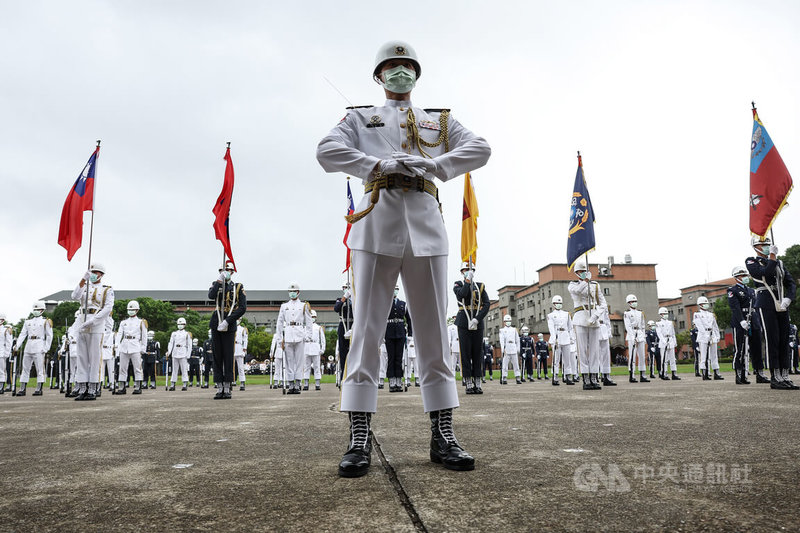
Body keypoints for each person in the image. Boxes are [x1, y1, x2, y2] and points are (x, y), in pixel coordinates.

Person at [317, 40, 489, 477]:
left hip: (427, 229)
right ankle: (359, 437)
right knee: (366, 333)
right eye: (391, 68)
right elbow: (326, 151)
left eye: (406, 67)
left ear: (416, 74)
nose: (400, 74)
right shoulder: (360, 118)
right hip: (376, 226)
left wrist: (434, 166)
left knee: (433, 333)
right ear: (379, 76)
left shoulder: (440, 121)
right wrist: (375, 164)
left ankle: (443, 434)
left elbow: (481, 149)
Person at [746, 236, 797, 389]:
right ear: (756, 247)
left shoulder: (779, 263)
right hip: (766, 302)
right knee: (772, 339)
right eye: (763, 244)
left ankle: (785, 375)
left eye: (768, 244)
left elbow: (790, 283)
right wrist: (773, 257)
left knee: (784, 340)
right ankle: (775, 376)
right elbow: (765, 273)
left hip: (782, 303)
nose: (767, 246)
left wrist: (788, 298)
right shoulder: (751, 262)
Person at [70, 264, 114, 400]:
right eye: (92, 272)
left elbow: (108, 308)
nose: (94, 274)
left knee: (95, 357)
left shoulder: (107, 290)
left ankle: (93, 388)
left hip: (96, 322)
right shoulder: (85, 287)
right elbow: (74, 296)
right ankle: (82, 388)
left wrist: (94, 321)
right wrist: (83, 280)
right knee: (82, 357)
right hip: (82, 321)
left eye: (96, 272)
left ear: (101, 274)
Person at [208, 260, 247, 399]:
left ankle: (227, 386)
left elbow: (242, 308)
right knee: (217, 355)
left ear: (232, 272)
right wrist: (219, 281)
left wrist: (228, 321)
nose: (224, 273)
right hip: (216, 322)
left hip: (229, 324)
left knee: (228, 355)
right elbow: (211, 296)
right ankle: (219, 386)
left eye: (227, 271)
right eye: (221, 271)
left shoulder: (238, 287)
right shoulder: (216, 284)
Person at [568, 260, 608, 390]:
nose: (584, 273)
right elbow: (578, 292)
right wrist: (586, 282)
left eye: (585, 271)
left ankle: (594, 377)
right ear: (577, 273)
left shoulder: (595, 285)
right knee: (582, 350)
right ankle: (585, 377)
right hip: (580, 318)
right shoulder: (572, 285)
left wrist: (596, 316)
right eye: (581, 271)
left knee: (595, 351)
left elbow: (603, 304)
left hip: (594, 318)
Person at [453, 262, 490, 393]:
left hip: (476, 322)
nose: (468, 271)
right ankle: (468, 381)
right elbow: (461, 295)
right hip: (464, 321)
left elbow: (486, 304)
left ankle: (478, 381)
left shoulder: (480, 286)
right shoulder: (458, 284)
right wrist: (467, 280)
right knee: (466, 353)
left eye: (470, 270)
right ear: (462, 271)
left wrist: (477, 318)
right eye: (465, 270)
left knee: (477, 353)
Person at [276, 282, 312, 395]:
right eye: (290, 291)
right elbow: (280, 322)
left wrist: (308, 335)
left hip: (299, 333)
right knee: (289, 361)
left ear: (298, 292)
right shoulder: (284, 306)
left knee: (299, 362)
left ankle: (297, 384)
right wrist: (279, 338)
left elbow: (309, 321)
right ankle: (290, 384)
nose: (292, 293)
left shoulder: (303, 305)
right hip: (288, 335)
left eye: (294, 291)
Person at [13, 301, 53, 396]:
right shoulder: (28, 322)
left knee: (40, 368)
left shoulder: (45, 321)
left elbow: (49, 335)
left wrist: (46, 348)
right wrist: (17, 345)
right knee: (25, 368)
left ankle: (39, 388)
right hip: (29, 345)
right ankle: (22, 388)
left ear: (42, 310)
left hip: (39, 345)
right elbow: (23, 334)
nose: (36, 311)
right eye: (34, 309)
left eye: (38, 309)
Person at [115, 300, 147, 394]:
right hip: (124, 345)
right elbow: (119, 335)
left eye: (132, 309)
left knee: (137, 368)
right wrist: (117, 346)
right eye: (129, 309)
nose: (130, 311)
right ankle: (122, 387)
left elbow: (144, 336)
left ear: (137, 310)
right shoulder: (123, 322)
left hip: (135, 346)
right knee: (122, 367)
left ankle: (138, 387)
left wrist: (143, 348)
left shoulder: (141, 322)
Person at [385, 286, 412, 393]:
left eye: (396, 289)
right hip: (389, 332)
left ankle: (398, 380)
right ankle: (392, 381)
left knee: (399, 358)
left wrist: (410, 334)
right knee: (391, 357)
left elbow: (409, 319)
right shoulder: (385, 303)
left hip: (400, 332)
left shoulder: (403, 304)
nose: (394, 290)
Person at [693, 296, 723, 381]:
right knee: (704, 356)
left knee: (714, 355)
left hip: (712, 334)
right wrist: (705, 335)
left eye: (707, 303)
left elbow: (715, 326)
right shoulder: (697, 314)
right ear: (701, 305)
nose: (707, 305)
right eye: (705, 304)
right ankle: (705, 373)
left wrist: (717, 336)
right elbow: (699, 326)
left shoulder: (711, 314)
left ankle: (716, 372)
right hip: (703, 336)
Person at [548, 295, 575, 386]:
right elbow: (551, 328)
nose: (558, 305)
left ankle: (568, 376)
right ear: (553, 304)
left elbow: (570, 327)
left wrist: (572, 338)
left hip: (566, 337)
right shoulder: (550, 315)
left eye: (560, 303)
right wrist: (554, 338)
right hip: (557, 337)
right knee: (556, 359)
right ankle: (555, 376)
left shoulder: (566, 314)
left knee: (567, 359)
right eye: (557, 303)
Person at [623, 294, 648, 384]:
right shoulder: (627, 313)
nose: (634, 303)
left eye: (635, 301)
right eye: (632, 302)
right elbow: (628, 326)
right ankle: (632, 375)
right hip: (632, 334)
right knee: (632, 355)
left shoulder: (640, 313)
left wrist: (644, 336)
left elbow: (643, 325)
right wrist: (632, 336)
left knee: (642, 355)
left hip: (640, 333)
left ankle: (643, 375)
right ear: (629, 303)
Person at [334, 282, 354, 384]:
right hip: (343, 326)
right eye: (344, 288)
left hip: (353, 325)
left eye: (348, 288)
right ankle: (343, 377)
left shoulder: (356, 299)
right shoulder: (340, 299)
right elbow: (336, 308)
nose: (346, 289)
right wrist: (344, 298)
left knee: (354, 352)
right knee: (343, 352)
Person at [303, 310, 325, 391]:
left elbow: (323, 339)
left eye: (313, 317)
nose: (312, 318)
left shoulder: (319, 327)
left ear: (315, 318)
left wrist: (323, 348)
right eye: (311, 317)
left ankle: (317, 384)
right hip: (307, 347)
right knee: (306, 367)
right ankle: (306, 384)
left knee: (316, 367)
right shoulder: (304, 327)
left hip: (315, 347)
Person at [656, 307, 680, 380]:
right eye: (664, 313)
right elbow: (659, 334)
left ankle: (674, 373)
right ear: (661, 314)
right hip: (663, 341)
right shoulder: (658, 323)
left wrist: (674, 342)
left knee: (673, 359)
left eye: (666, 313)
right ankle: (664, 373)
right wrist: (664, 341)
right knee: (664, 359)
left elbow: (673, 333)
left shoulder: (670, 323)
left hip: (670, 340)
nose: (666, 315)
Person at [499, 315, 521, 385]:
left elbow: (517, 340)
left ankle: (517, 377)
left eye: (509, 321)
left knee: (516, 364)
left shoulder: (514, 329)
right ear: (504, 322)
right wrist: (503, 349)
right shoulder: (502, 330)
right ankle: (504, 377)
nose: (508, 322)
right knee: (505, 365)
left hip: (513, 347)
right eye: (507, 321)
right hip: (507, 348)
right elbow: (501, 341)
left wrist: (518, 348)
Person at [597, 307, 616, 386]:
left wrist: (609, 332)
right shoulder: (590, 304)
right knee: (595, 355)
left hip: (604, 329)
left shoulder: (604, 306)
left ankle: (606, 376)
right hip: (595, 329)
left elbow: (607, 320)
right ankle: (596, 376)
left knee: (606, 355)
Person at [99, 317, 115, 392]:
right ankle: (100, 384)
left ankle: (112, 384)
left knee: (111, 371)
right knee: (101, 370)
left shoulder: (113, 334)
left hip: (109, 352)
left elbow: (115, 344)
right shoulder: (101, 333)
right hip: (102, 352)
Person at [234, 319, 248, 391]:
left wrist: (245, 347)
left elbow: (245, 339)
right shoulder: (231, 327)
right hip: (231, 348)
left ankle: (242, 382)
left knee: (240, 367)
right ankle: (231, 381)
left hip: (239, 347)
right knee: (231, 367)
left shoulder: (242, 329)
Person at [0, 313, 13, 395]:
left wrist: (7, 353)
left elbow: (9, 342)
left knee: (1, 370)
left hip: (1, 353)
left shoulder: (6, 329)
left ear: (3, 320)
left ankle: (1, 386)